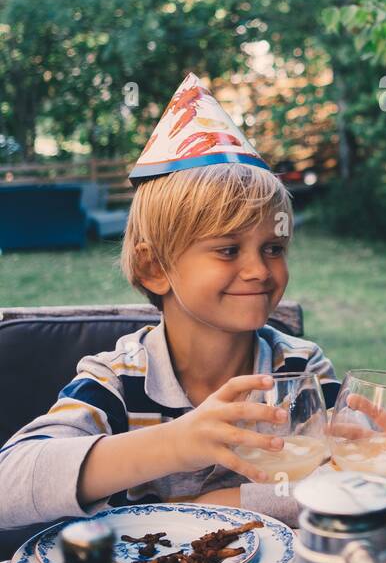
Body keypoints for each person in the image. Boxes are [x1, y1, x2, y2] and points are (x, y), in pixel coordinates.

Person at [0, 72, 337, 531]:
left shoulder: (299, 369)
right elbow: (10, 485)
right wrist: (177, 443)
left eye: (273, 248)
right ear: (154, 268)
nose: (260, 269)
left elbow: (347, 481)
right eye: (228, 249)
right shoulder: (117, 380)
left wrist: (223, 503)